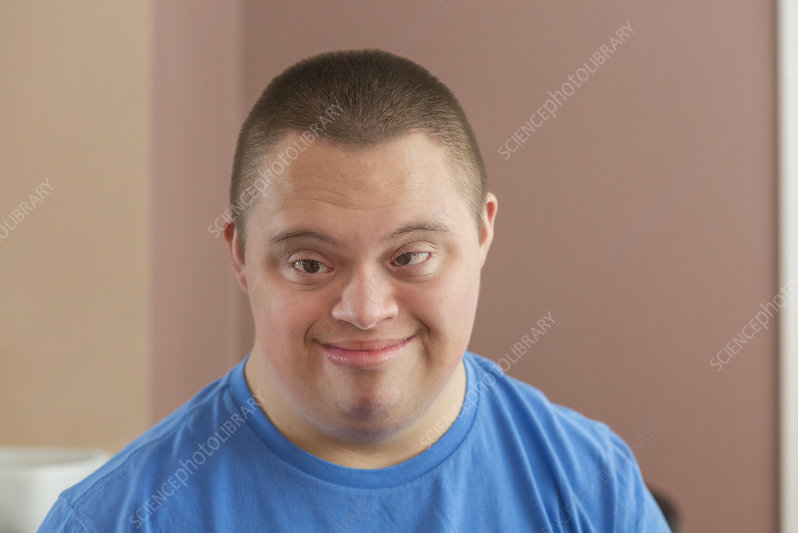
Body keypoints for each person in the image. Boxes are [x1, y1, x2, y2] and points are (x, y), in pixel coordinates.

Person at [39, 49, 670, 532]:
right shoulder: (114, 519)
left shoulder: (595, 488)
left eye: (411, 256)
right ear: (239, 254)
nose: (365, 311)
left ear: (481, 235)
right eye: (310, 264)